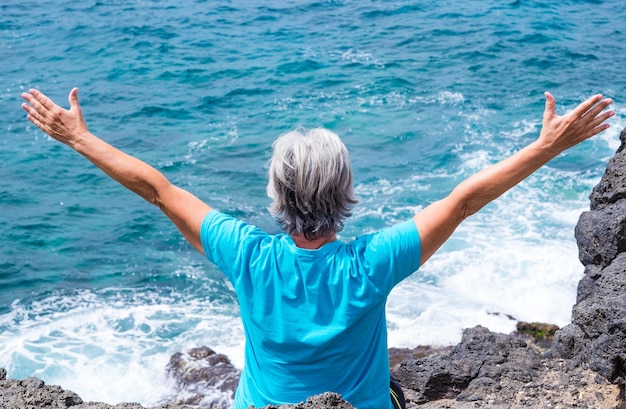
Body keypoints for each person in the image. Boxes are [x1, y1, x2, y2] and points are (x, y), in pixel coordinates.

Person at [21, 88, 614, 409]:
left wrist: (78, 137)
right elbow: (462, 200)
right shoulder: (373, 263)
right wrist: (546, 148)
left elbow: (158, 189)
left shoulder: (245, 254)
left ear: (276, 192)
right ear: (347, 191)